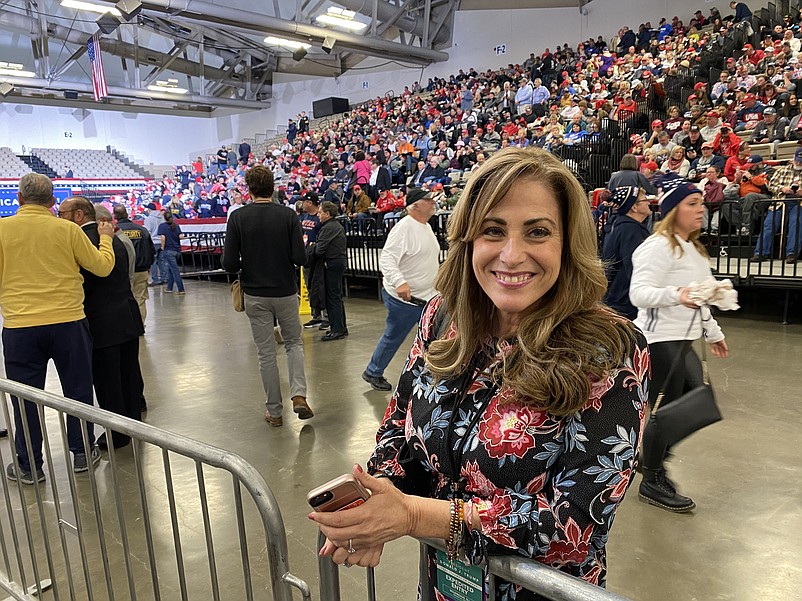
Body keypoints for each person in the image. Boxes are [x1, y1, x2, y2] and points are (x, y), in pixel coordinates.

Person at [312, 148, 649, 595]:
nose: (512, 255)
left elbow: (574, 528)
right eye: (493, 230)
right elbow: (398, 424)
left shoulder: (611, 347)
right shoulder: (442, 316)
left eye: (538, 232)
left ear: (569, 243)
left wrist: (413, 516)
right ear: (469, 239)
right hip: (441, 585)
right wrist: (378, 499)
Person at [0, 173, 115, 484]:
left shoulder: (2, 229)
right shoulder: (66, 229)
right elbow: (102, 267)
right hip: (68, 322)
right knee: (77, 390)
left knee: (25, 398)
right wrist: (106, 238)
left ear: (20, 199)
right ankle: (81, 453)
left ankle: (29, 465)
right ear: (52, 203)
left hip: (20, 326)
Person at [630, 174, 730, 513]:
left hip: (683, 340)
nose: (701, 209)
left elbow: (701, 297)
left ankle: (652, 457)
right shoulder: (657, 247)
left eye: (701, 203)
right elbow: (638, 293)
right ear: (673, 209)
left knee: (693, 406)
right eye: (692, 203)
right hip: (658, 340)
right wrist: (677, 294)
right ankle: (652, 476)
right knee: (670, 412)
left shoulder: (695, 251)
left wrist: (713, 332)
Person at [222, 165, 313, 427]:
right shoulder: (287, 216)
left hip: (255, 293)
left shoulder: (237, 218)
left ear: (249, 189)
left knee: (266, 354)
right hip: (285, 290)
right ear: (273, 187)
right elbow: (300, 258)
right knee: (294, 343)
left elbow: (229, 263)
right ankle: (298, 395)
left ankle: (274, 412)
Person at [59, 197, 145, 449]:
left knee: (108, 383)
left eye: (62, 213)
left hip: (99, 320)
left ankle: (117, 435)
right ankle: (135, 426)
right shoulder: (115, 239)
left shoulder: (80, 241)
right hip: (127, 315)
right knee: (129, 375)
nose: (58, 218)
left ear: (78, 215)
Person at [361, 188, 439, 392]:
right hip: (406, 299)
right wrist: (399, 281)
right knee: (394, 336)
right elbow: (387, 258)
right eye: (427, 199)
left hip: (427, 296)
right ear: (415, 205)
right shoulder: (404, 228)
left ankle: (431, 375)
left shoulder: (425, 227)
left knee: (434, 337)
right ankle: (373, 371)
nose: (432, 202)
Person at [602, 187, 652, 319]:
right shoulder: (630, 230)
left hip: (616, 297)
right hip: (625, 302)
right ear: (634, 207)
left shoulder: (620, 225)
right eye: (645, 199)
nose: (649, 202)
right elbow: (635, 267)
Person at [750, 148, 802, 263]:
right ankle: (761, 253)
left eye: (801, 161)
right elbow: (771, 185)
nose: (798, 163)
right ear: (793, 159)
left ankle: (792, 253)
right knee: (769, 225)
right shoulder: (782, 170)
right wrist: (782, 188)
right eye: (797, 160)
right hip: (779, 201)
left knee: (796, 223)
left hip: (798, 202)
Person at [311, 202, 348, 341]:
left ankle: (337, 329)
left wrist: (312, 247)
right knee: (336, 296)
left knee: (332, 297)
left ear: (327, 214)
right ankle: (339, 327)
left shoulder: (329, 228)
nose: (318, 215)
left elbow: (320, 249)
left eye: (320, 212)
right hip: (337, 262)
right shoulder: (334, 226)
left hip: (332, 263)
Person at [114, 204, 155, 324]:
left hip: (123, 272)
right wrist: (148, 266)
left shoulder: (114, 232)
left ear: (115, 216)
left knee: (123, 300)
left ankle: (128, 325)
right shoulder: (142, 230)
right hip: (141, 270)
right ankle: (140, 325)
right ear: (127, 214)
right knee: (140, 299)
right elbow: (151, 250)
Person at [157, 211, 185, 294]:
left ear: (164, 218)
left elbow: (163, 238)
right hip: (177, 250)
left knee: (175, 270)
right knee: (170, 269)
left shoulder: (162, 226)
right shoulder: (176, 225)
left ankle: (181, 289)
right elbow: (181, 236)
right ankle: (169, 287)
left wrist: (162, 247)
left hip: (168, 250)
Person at [144, 202, 165, 286]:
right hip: (162, 241)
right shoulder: (162, 217)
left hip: (153, 242)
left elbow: (147, 232)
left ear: (149, 210)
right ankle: (164, 278)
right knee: (162, 261)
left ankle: (155, 279)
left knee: (153, 262)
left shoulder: (149, 219)